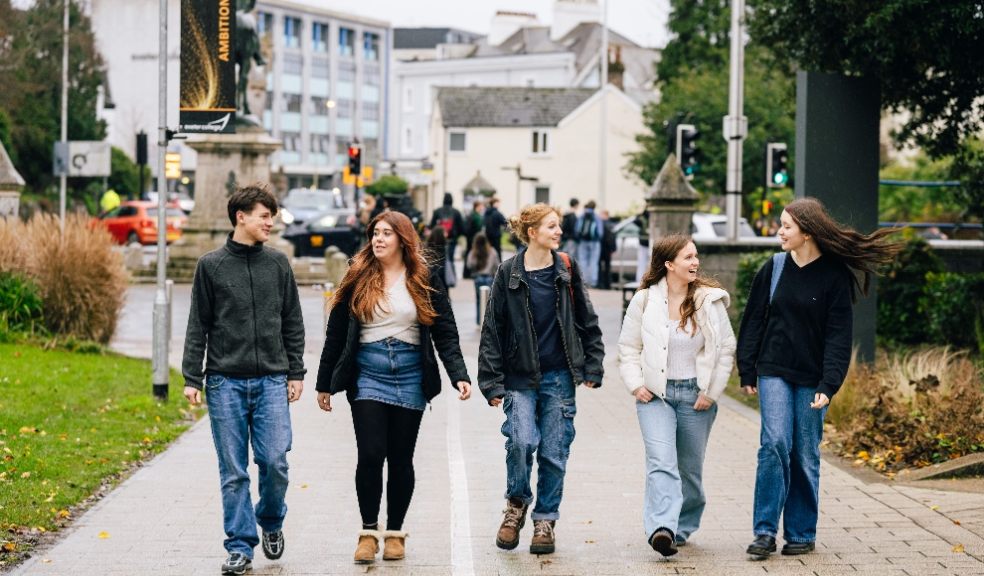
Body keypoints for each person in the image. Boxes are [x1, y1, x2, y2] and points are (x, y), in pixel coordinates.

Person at [737, 197, 901, 560]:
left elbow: (838, 337)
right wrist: (747, 368)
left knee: (804, 453)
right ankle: (764, 532)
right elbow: (753, 322)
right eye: (781, 225)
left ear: (807, 232)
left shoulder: (833, 276)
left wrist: (829, 385)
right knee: (775, 443)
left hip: (812, 378)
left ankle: (800, 532)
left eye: (786, 226)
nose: (779, 231)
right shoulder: (774, 268)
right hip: (774, 369)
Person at [316, 210, 472, 565]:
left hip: (411, 374)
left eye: (387, 233)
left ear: (403, 239)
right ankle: (369, 532)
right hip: (367, 373)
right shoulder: (358, 276)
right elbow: (336, 333)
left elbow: (445, 330)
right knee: (371, 454)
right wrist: (324, 383)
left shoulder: (424, 278)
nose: (379, 239)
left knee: (401, 458)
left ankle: (395, 533)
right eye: (375, 233)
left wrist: (458, 373)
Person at [181, 183, 306, 576]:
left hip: (271, 379)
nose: (271, 222)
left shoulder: (278, 264)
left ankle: (271, 520)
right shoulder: (211, 266)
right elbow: (197, 325)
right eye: (264, 216)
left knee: (274, 461)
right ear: (242, 217)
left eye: (272, 216)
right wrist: (191, 377)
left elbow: (293, 321)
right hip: (224, 383)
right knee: (233, 471)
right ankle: (239, 546)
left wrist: (296, 370)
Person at [478, 203, 605, 555]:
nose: (559, 231)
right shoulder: (508, 272)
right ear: (532, 232)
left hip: (560, 377)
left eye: (559, 226)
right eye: (552, 226)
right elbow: (493, 329)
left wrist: (592, 366)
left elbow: (586, 319)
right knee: (520, 441)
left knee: (554, 451)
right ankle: (516, 505)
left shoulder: (566, 269)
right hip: (519, 377)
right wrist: (491, 382)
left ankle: (545, 520)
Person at [617, 234, 736, 557]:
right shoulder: (644, 301)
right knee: (661, 462)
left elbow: (725, 348)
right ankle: (662, 528)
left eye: (695, 256)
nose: (695, 262)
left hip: (696, 398)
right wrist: (635, 383)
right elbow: (628, 348)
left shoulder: (709, 302)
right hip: (655, 396)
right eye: (687, 257)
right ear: (669, 264)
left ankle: (683, 525)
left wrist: (711, 392)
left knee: (689, 470)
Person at [467, 232, 500, 324]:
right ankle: (488, 321)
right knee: (489, 302)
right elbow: (497, 265)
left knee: (478, 300)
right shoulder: (492, 251)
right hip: (489, 278)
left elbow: (469, 264)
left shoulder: (473, 252)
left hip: (478, 278)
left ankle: (479, 320)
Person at [429, 192, 465, 272]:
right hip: (452, 239)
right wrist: (457, 236)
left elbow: (432, 226)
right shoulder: (456, 212)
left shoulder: (437, 211)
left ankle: (439, 274)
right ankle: (449, 277)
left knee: (438, 258)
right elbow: (462, 228)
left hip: (439, 239)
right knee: (450, 258)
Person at [574, 200, 603, 288]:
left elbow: (577, 229)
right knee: (593, 262)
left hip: (583, 241)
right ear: (594, 207)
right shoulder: (596, 217)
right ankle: (593, 282)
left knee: (583, 261)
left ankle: (583, 281)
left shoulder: (582, 216)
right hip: (594, 242)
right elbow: (600, 232)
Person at [462, 198, 486, 279]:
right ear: (477, 206)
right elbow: (479, 227)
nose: (482, 208)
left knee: (468, 254)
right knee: (474, 255)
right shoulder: (476, 216)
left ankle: (466, 273)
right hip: (474, 239)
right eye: (481, 206)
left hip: (469, 238)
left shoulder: (470, 214)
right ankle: (471, 273)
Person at [598, 210, 617, 290]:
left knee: (599, 266)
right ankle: (608, 284)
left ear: (604, 215)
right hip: (608, 248)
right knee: (607, 267)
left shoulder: (600, 224)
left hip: (601, 248)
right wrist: (613, 248)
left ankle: (601, 284)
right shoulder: (611, 224)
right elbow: (613, 237)